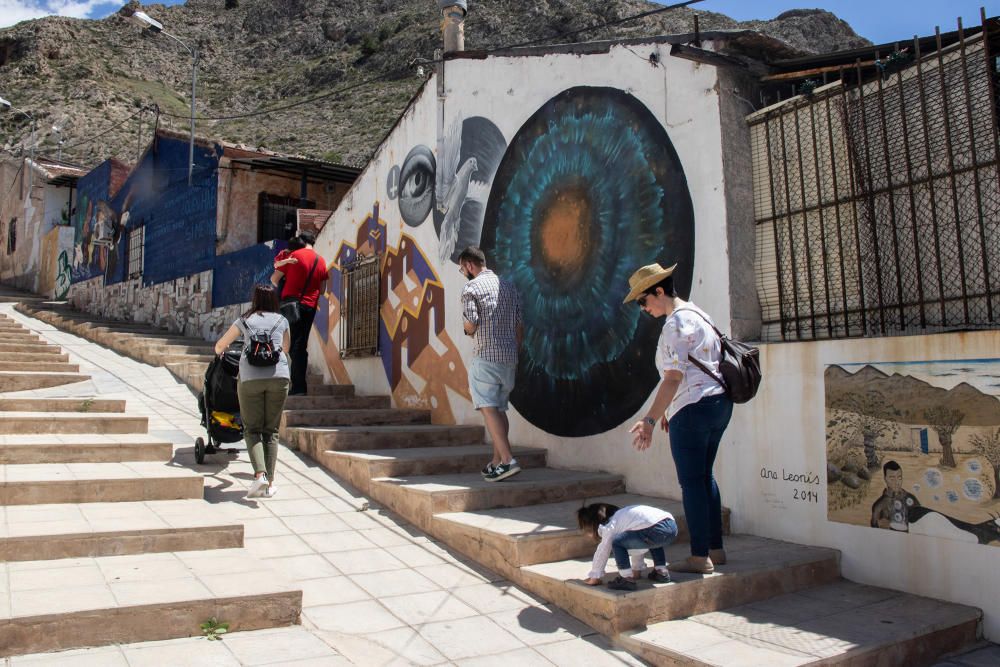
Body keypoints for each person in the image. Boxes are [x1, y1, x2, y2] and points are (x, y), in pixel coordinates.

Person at [623, 263, 733, 574]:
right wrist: (671, 411)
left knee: (691, 484)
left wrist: (649, 420)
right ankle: (716, 548)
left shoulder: (675, 324)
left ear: (659, 291)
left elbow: (672, 377)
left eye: (643, 301)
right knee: (705, 477)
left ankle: (700, 557)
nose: (643, 308)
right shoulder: (700, 315)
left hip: (694, 408)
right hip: (717, 404)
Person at [214, 284, 291, 499]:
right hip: (279, 378)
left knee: (252, 429)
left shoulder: (245, 320)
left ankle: (260, 476)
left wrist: (223, 353)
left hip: (250, 379)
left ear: (255, 299)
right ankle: (270, 484)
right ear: (274, 300)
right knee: (271, 431)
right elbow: (285, 349)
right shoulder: (281, 320)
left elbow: (220, 346)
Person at [459, 246, 523, 482]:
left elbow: (471, 324)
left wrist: (467, 330)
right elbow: (519, 326)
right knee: (499, 408)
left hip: (486, 355)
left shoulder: (471, 288)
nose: (463, 273)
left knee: (487, 406)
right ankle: (497, 462)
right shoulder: (509, 287)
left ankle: (507, 460)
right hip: (509, 357)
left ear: (469, 265)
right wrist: (514, 352)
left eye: (462, 268)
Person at [271, 231, 328, 396]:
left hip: (291, 304)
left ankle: (297, 387)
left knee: (291, 345)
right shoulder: (321, 260)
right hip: (310, 306)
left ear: (301, 241)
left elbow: (274, 279)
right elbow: (323, 290)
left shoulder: (294, 256)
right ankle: (299, 386)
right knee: (300, 344)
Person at [577, 502, 677, 591]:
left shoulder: (611, 525)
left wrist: (595, 576)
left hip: (652, 529)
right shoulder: (625, 516)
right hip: (671, 526)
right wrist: (636, 571)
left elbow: (603, 550)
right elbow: (638, 546)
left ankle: (627, 579)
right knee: (652, 540)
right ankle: (661, 572)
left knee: (616, 542)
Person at [870, 460, 920, 531]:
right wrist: (878, 524)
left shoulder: (911, 499)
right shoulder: (879, 505)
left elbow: (921, 523)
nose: (897, 482)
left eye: (899, 478)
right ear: (885, 479)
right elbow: (873, 528)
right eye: (892, 478)